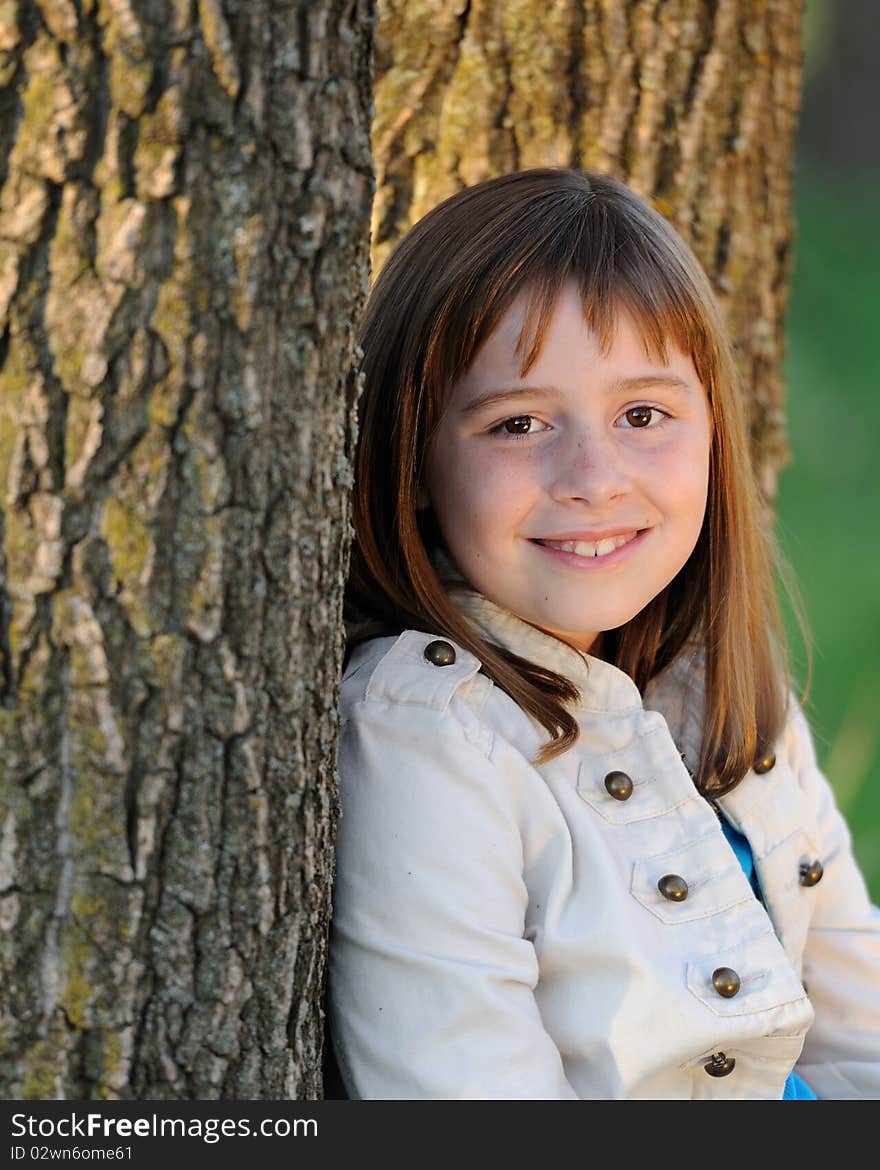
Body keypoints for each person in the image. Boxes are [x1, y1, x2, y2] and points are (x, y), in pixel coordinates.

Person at [326, 167, 880, 1100]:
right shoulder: (427, 736)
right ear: (412, 457)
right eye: (518, 423)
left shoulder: (725, 696)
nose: (594, 475)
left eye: (642, 414)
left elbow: (861, 1040)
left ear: (712, 434)